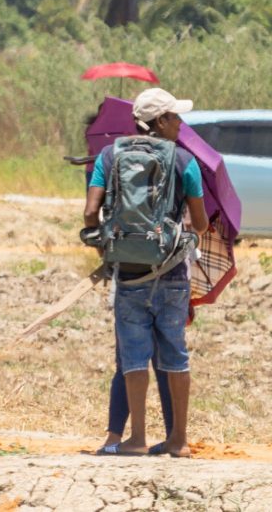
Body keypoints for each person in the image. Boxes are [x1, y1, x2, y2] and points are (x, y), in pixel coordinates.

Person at [82, 87, 207, 458]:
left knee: (133, 357)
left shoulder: (109, 155)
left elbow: (90, 213)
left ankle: (135, 438)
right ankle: (179, 440)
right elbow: (199, 223)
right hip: (171, 274)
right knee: (176, 355)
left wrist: (106, 241)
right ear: (161, 121)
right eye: (175, 117)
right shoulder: (185, 160)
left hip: (128, 271)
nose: (181, 124)